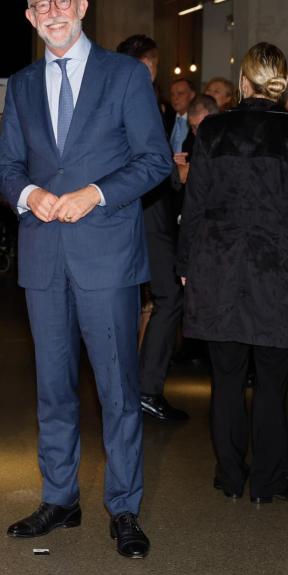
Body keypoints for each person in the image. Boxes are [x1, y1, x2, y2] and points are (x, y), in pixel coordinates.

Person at [0, 0, 171, 558]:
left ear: (82, 5)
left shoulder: (124, 77)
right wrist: (30, 196)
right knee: (53, 390)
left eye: (61, 2)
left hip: (107, 257)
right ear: (29, 16)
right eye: (40, 6)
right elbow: (7, 167)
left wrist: (94, 193)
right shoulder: (19, 85)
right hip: (44, 259)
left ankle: (124, 508)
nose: (53, 13)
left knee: (119, 390)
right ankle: (60, 499)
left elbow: (154, 162)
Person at [177, 42, 288, 504]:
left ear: (244, 80)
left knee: (227, 378)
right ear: (281, 82)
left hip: (219, 266)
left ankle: (231, 476)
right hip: (280, 270)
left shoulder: (213, 130)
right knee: (273, 383)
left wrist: (185, 264)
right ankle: (269, 482)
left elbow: (194, 204)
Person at [117, 35, 188, 422]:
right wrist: (175, 171)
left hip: (123, 216)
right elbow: (150, 165)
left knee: (130, 301)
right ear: (147, 64)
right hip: (150, 214)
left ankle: (128, 389)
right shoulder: (141, 98)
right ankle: (146, 389)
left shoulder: (108, 96)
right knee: (168, 298)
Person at [167, 78, 196, 154]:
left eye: (180, 93)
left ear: (192, 95)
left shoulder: (198, 121)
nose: (175, 98)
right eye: (172, 94)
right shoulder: (166, 119)